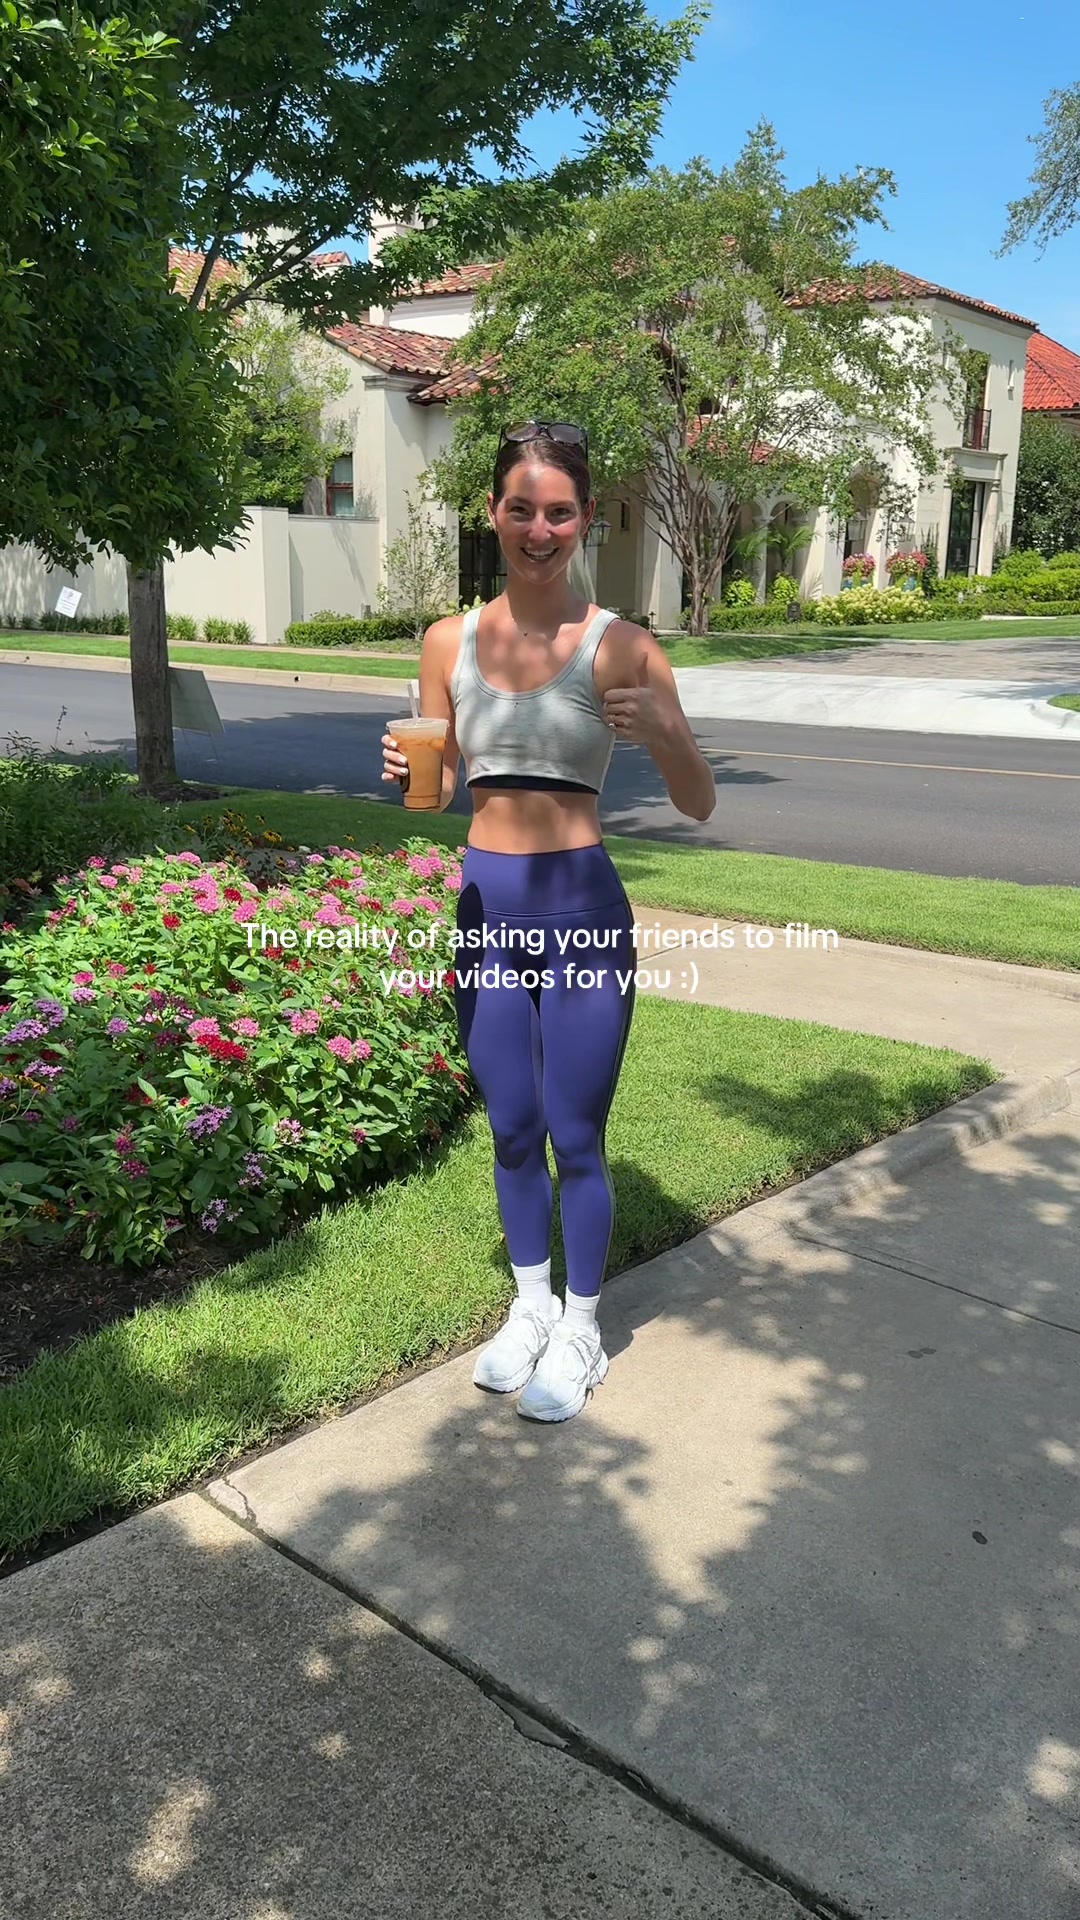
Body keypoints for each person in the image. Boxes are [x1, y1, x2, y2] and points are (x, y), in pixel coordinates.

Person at [382, 420, 716, 1422]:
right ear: (493, 512)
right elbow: (442, 789)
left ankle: (582, 1328)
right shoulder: (447, 641)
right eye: (521, 508)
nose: (539, 529)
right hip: (485, 905)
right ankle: (529, 1305)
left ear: (585, 517)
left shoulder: (624, 646)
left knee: (576, 1130)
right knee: (512, 1125)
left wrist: (666, 732)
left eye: (559, 512)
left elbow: (698, 801)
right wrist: (406, 771)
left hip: (580, 910)